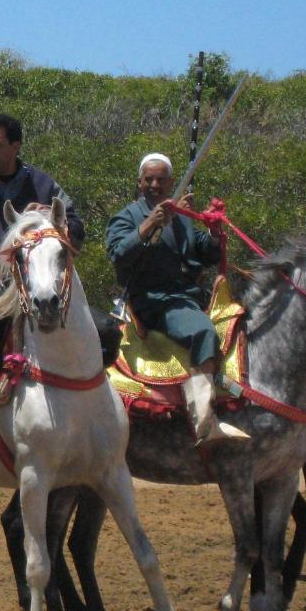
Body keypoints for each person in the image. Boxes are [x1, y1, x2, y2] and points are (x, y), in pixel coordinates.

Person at [0, 113, 121, 472]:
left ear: (15, 146)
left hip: (38, 286)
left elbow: (77, 230)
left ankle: (92, 414)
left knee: (107, 332)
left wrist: (52, 217)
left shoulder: (43, 184)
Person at [106, 152, 249, 445]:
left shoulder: (180, 216)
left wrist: (211, 230)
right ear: (140, 182)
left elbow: (205, 252)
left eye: (161, 179)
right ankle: (204, 420)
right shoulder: (127, 216)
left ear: (171, 183)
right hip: (154, 300)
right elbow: (119, 255)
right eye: (149, 179)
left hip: (189, 297)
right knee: (202, 331)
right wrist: (149, 224)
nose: (154, 184)